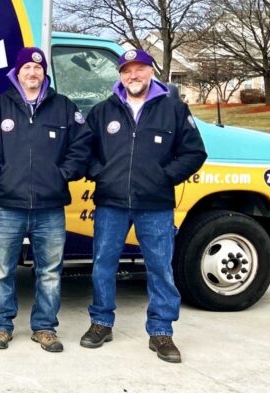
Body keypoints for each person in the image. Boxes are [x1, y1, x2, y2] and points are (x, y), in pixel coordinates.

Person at [80, 49, 207, 363]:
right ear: (120, 76)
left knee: (160, 268)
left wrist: (164, 177)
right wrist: (101, 174)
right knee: (103, 265)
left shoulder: (174, 109)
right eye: (126, 70)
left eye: (139, 69)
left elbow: (194, 152)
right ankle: (101, 322)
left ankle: (161, 331)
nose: (132, 75)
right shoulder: (103, 111)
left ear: (151, 71)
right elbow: (84, 150)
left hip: (156, 204)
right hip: (111, 202)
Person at [0, 47, 91, 352]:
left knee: (49, 272)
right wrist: (1, 175)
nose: (32, 72)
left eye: (38, 68)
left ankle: (45, 328)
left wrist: (62, 174)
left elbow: (82, 146)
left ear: (44, 73)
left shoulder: (64, 107)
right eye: (27, 67)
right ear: (17, 72)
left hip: (50, 206)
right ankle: (1, 326)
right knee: (1, 271)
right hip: (7, 205)